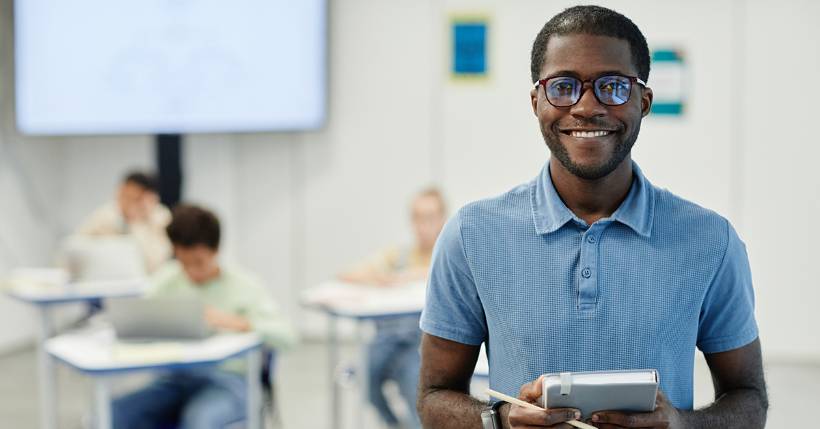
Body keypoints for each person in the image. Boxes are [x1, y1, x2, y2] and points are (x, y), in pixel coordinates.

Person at [417, 6, 767, 429]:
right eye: (563, 86)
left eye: (613, 87)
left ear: (644, 101)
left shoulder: (711, 240)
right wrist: (500, 420)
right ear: (536, 101)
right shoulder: (471, 235)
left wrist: (681, 424)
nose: (586, 107)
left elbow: (749, 400)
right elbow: (433, 400)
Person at [112, 204, 297, 429]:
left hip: (229, 381)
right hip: (175, 380)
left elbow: (287, 337)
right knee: (115, 413)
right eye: (183, 262)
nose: (191, 272)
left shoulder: (245, 286)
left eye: (198, 262)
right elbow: (138, 320)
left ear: (215, 250)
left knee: (199, 421)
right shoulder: (167, 280)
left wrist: (239, 323)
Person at [339, 188, 447, 429]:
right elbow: (349, 274)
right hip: (386, 339)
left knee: (415, 388)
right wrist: (381, 278)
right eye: (417, 217)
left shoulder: (447, 255)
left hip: (421, 343)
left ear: (441, 219)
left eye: (429, 217)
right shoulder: (398, 256)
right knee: (365, 376)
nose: (422, 225)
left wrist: (411, 276)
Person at [76, 171, 171, 274]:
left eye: (134, 199)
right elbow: (77, 246)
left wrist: (136, 223)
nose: (125, 202)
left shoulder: (161, 218)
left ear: (150, 199)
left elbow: (156, 264)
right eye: (124, 195)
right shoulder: (105, 215)